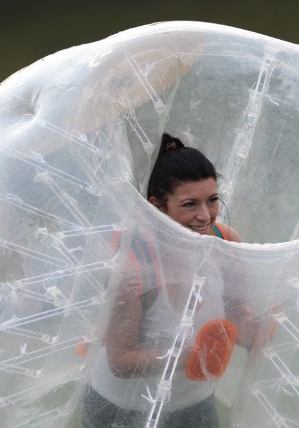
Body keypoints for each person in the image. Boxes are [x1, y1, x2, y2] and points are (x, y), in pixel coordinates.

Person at [82, 133, 262, 427]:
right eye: (190, 204)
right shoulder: (132, 267)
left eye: (213, 200)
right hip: (123, 408)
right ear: (157, 207)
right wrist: (191, 356)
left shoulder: (226, 243)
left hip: (194, 400)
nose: (206, 216)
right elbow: (120, 360)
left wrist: (255, 331)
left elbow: (237, 314)